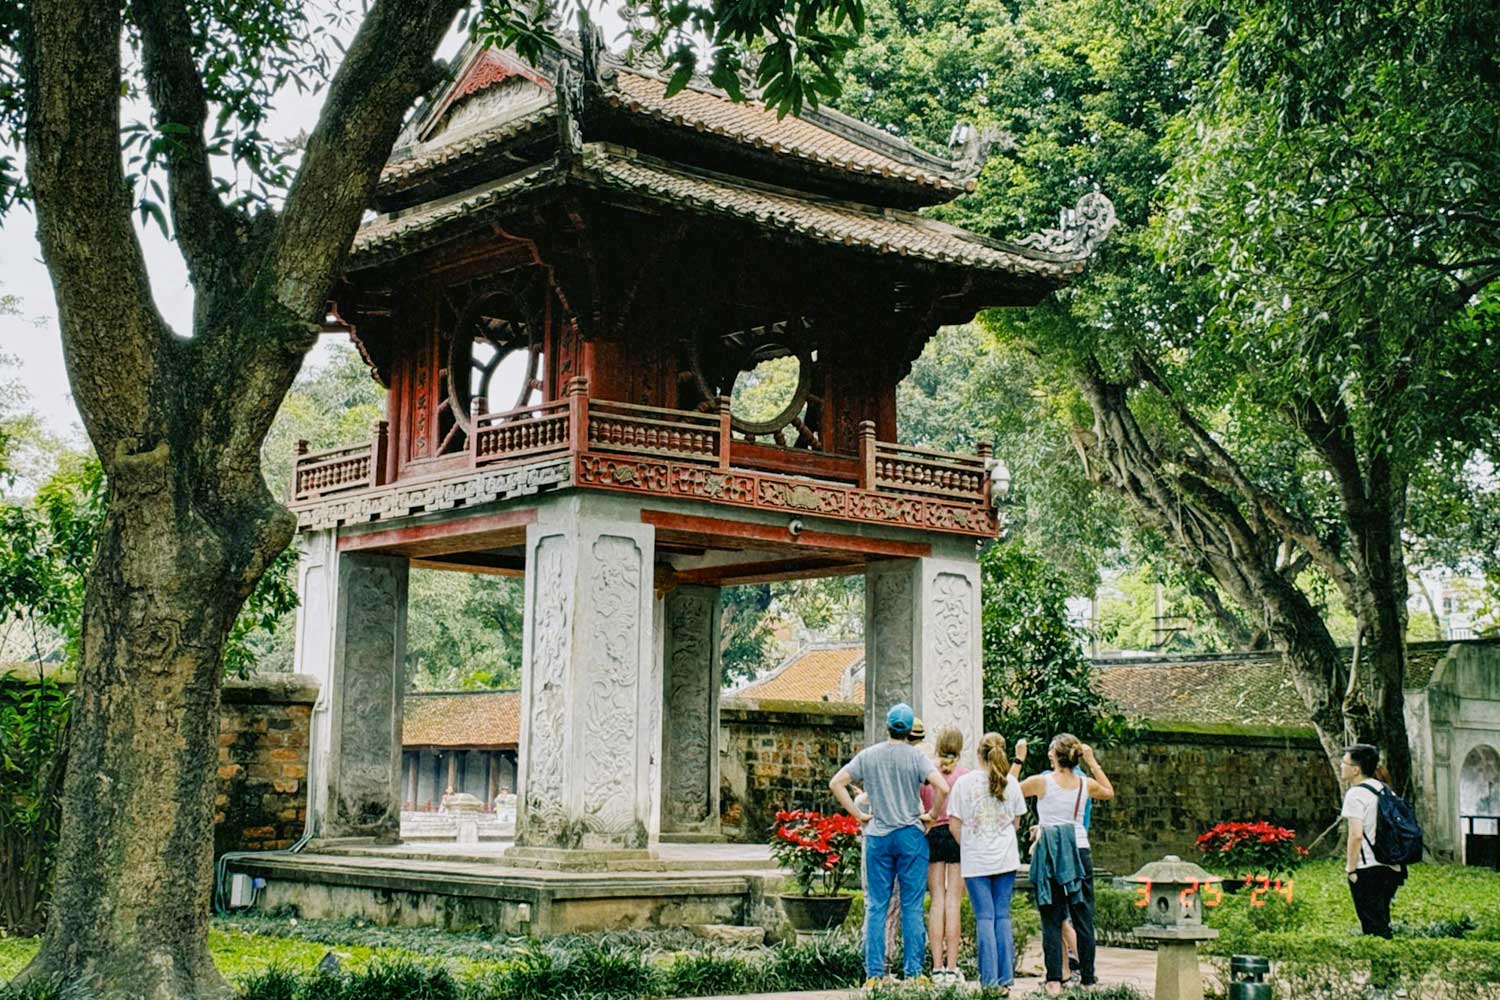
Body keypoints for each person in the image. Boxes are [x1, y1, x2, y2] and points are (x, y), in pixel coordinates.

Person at [831, 704, 949, 987]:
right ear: (909, 730)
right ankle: (913, 973)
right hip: (910, 834)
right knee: (912, 906)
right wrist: (932, 816)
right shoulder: (916, 757)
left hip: (879, 835)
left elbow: (837, 783)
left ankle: (873, 975)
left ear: (887, 726)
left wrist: (858, 815)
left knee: (876, 906)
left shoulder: (868, 755)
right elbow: (942, 788)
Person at [1019, 733, 1114, 995]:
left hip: (1050, 851)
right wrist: (1093, 762)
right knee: (1083, 917)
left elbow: (1008, 792)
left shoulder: (1042, 782)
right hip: (1080, 850)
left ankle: (1053, 980)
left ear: (1055, 755)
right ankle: (1089, 979)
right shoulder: (1086, 784)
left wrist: (1019, 759)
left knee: (1051, 916)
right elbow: (1109, 791)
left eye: (1051, 751)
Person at [948, 732, 1026, 994]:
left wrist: (970, 845)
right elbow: (1016, 823)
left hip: (976, 859)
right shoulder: (1011, 784)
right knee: (1002, 916)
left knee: (984, 917)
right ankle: (1005, 979)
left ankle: (989, 981)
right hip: (1005, 858)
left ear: (978, 753)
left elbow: (954, 825)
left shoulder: (964, 783)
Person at [1342, 743, 1406, 938]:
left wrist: (1351, 869)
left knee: (1372, 927)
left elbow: (1356, 836)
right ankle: (1387, 966)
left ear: (1356, 769)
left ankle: (1386, 966)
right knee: (1382, 921)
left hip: (1367, 868)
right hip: (1391, 865)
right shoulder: (1384, 789)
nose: (1341, 766)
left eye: (1344, 763)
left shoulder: (1355, 794)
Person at [922, 728, 969, 984]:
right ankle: (952, 967)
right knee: (954, 901)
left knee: (937, 900)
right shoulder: (965, 776)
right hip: (957, 834)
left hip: (933, 833)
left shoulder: (928, 775)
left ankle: (936, 966)